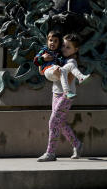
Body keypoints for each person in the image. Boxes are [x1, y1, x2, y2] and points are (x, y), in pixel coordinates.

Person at [37, 33, 87, 161]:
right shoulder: (59, 57)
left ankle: (50, 153)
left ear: (76, 50)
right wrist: (44, 61)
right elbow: (41, 71)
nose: (64, 49)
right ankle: (77, 144)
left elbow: (69, 78)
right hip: (56, 93)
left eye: (68, 47)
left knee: (53, 121)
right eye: (63, 46)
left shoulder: (71, 61)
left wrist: (58, 72)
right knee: (60, 122)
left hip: (66, 95)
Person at [33, 30, 89, 98]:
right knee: (61, 70)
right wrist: (42, 59)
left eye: (55, 41)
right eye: (50, 40)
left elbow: (64, 63)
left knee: (70, 66)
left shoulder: (59, 53)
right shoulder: (44, 50)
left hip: (56, 71)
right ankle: (67, 92)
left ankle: (81, 77)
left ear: (59, 43)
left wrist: (72, 57)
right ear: (47, 41)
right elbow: (35, 61)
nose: (52, 43)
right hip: (48, 71)